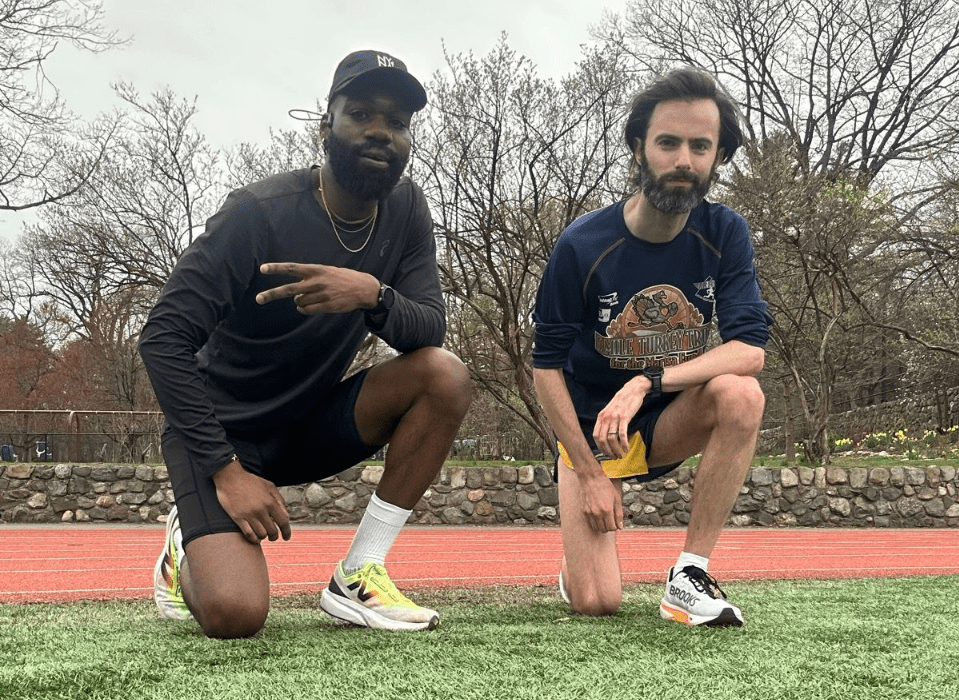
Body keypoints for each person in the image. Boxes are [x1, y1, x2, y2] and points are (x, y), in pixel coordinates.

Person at [140, 50, 471, 637]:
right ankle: (184, 541)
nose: (380, 131)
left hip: (306, 423)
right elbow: (162, 337)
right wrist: (225, 471)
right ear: (326, 126)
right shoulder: (256, 213)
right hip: (222, 432)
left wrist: (372, 294)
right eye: (361, 114)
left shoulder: (407, 210)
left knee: (444, 374)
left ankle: (360, 571)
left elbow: (428, 330)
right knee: (235, 614)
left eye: (397, 122)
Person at [532, 68, 772, 627]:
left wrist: (647, 382)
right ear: (639, 148)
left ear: (718, 157)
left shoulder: (726, 232)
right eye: (668, 142)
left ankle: (689, 575)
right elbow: (545, 368)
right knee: (599, 603)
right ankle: (578, 565)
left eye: (700, 146)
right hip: (593, 435)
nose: (684, 160)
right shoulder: (581, 244)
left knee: (741, 394)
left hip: (666, 420)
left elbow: (749, 350)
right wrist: (589, 473)